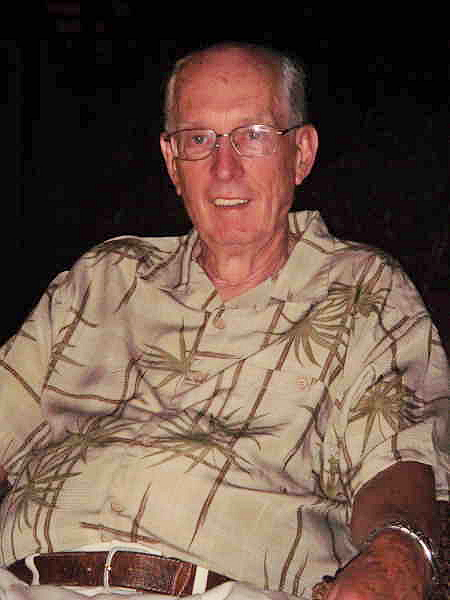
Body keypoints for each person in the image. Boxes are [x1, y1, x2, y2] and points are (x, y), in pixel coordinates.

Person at [0, 42, 448, 600]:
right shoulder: (103, 276)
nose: (224, 167)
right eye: (198, 140)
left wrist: (396, 558)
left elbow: (399, 462)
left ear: (301, 153)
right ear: (172, 162)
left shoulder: (363, 289)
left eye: (253, 136)